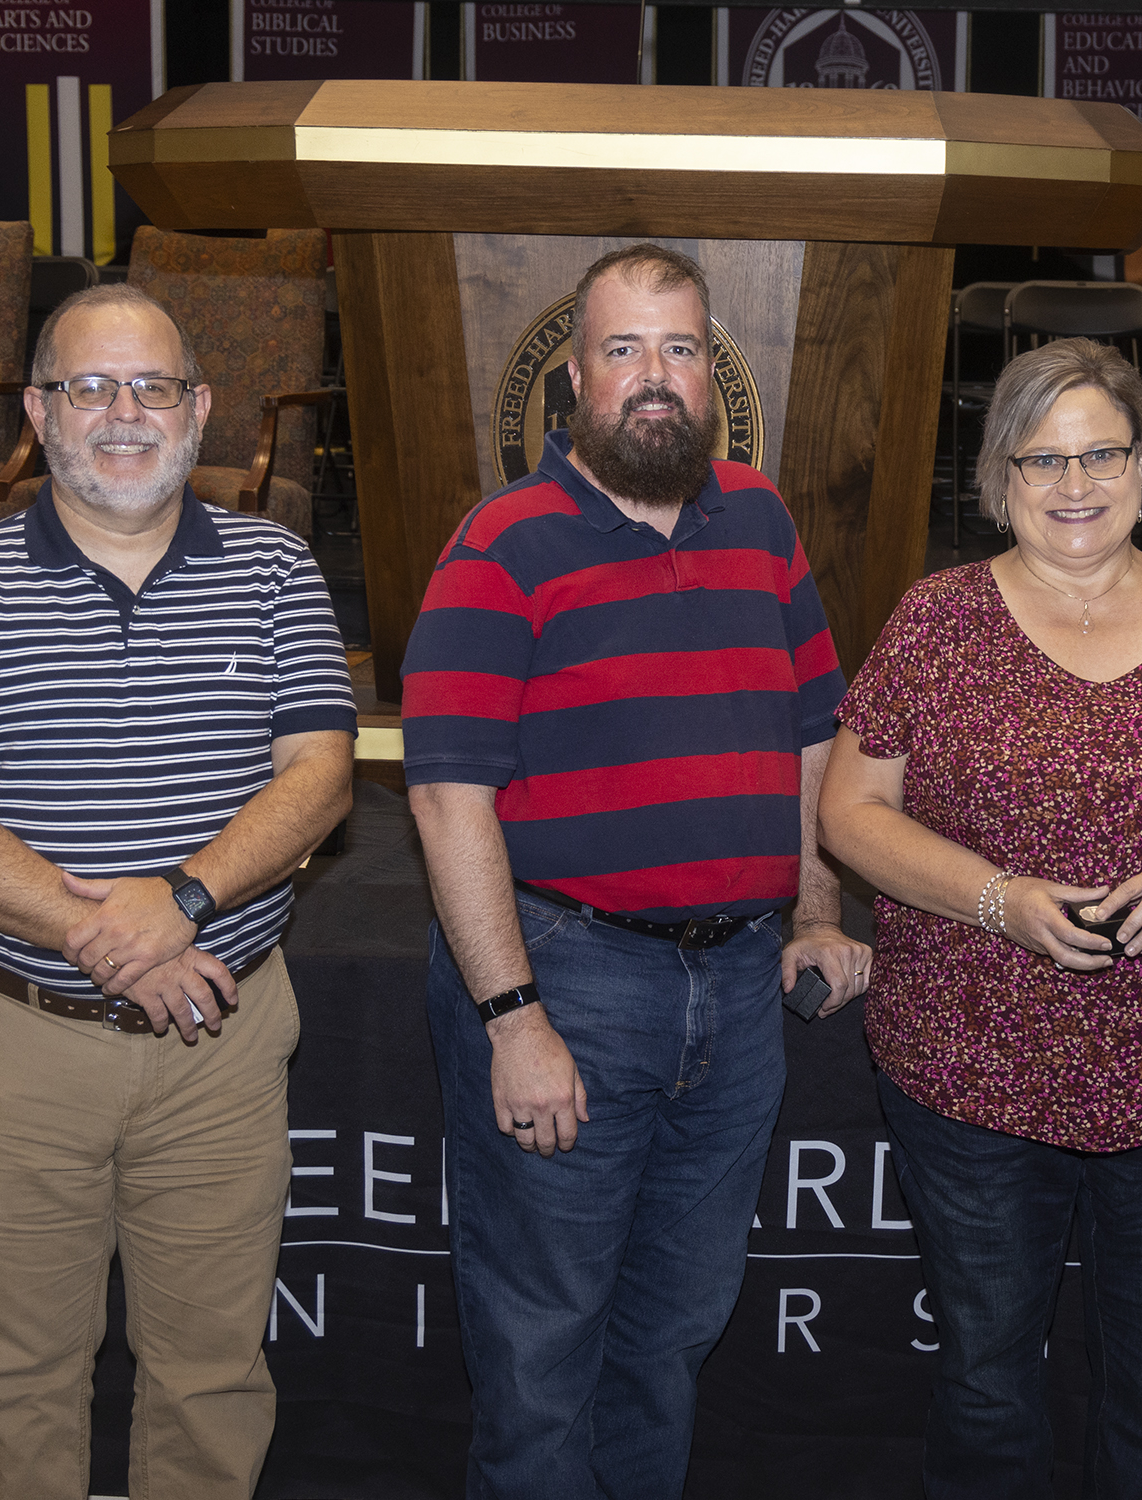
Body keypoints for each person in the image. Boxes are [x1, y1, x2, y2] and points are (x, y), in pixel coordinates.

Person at [818, 337, 1142, 1495]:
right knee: (986, 1384)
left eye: (1101, 452)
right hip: (971, 1067)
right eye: (1040, 458)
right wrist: (998, 901)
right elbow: (851, 812)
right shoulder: (936, 621)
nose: (1074, 485)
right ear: (998, 478)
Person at [401, 242, 872, 1499]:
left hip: (736, 990)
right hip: (569, 982)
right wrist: (512, 1017)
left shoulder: (761, 520)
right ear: (572, 378)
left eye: (679, 350)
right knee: (542, 1356)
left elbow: (816, 730)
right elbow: (448, 797)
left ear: (710, 371)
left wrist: (818, 907)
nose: (653, 378)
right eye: (623, 351)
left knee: (669, 1339)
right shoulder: (501, 546)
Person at [0, 282, 357, 1499]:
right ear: (39, 412)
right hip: (16, 1043)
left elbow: (321, 777)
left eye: (153, 387)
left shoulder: (275, 566)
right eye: (91, 387)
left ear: (198, 411)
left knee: (211, 1375)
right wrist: (111, 928)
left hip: (224, 1045)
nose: (124, 413)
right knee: (22, 1375)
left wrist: (180, 899)